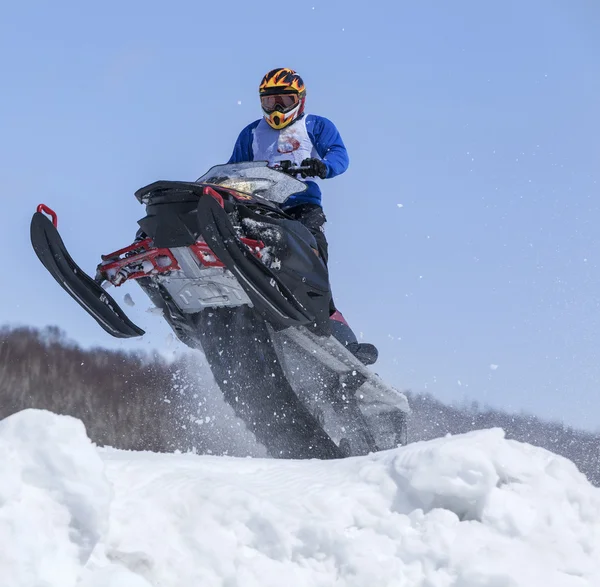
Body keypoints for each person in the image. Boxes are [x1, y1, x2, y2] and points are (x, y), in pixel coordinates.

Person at [228, 67, 378, 365]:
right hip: (259, 209)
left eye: (284, 100)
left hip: (301, 208)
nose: (277, 108)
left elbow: (339, 155)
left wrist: (322, 166)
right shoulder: (251, 133)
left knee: (313, 257)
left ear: (300, 100)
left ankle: (335, 326)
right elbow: (233, 167)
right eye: (270, 102)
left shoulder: (316, 126)